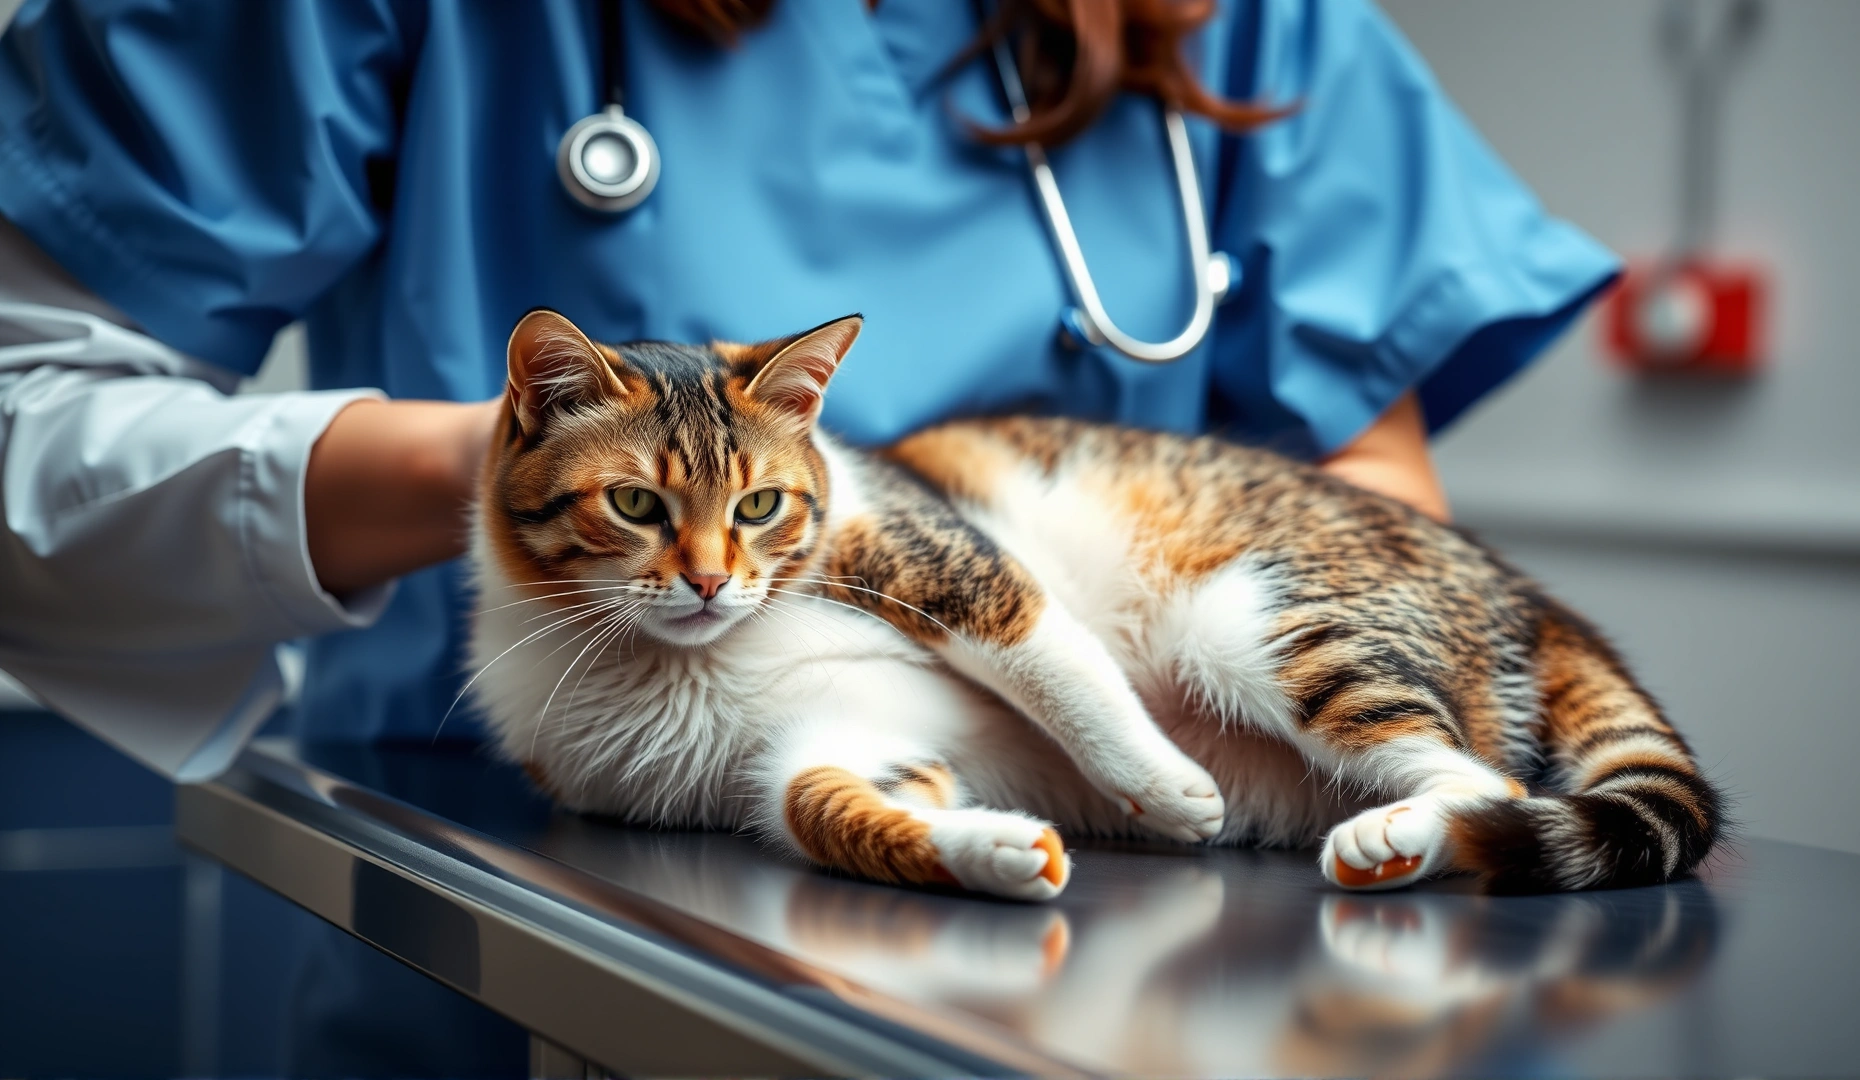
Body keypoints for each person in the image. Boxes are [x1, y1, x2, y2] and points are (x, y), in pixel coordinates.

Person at [0, 0, 1617, 780]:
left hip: (1109, 952)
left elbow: (1377, 530)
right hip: (532, 934)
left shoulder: (1254, 24)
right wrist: (491, 483)